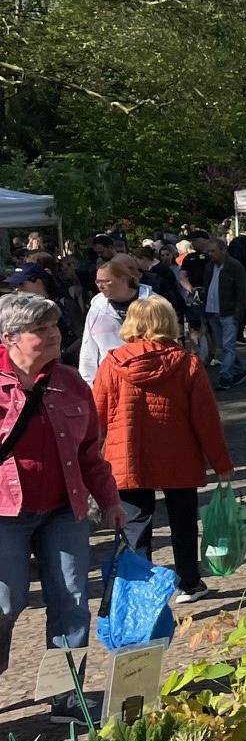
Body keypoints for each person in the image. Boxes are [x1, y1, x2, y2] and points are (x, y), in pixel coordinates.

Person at [0, 294, 122, 709]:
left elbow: (90, 451)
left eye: (54, 326)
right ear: (10, 338)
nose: (53, 335)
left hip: (62, 511)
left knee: (71, 602)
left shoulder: (70, 381)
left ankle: (65, 698)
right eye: (41, 329)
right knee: (5, 602)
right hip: (4, 515)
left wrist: (109, 500)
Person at [91, 296, 233, 603]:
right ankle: (188, 583)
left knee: (134, 526)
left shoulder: (112, 363)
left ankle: (141, 593)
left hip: (126, 455)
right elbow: (206, 419)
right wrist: (221, 462)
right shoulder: (186, 363)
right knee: (182, 521)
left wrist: (88, 464)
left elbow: (96, 418)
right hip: (177, 454)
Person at [81, 255, 156, 384]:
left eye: (106, 281)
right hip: (110, 381)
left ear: (122, 279)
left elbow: (168, 341)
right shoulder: (96, 308)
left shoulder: (153, 303)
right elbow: (88, 350)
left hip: (148, 377)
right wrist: (89, 385)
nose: (101, 286)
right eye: (98, 282)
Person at [189, 236, 246, 389]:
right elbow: (207, 288)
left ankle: (225, 377)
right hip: (212, 311)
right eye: (208, 251)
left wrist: (238, 314)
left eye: (213, 251)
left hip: (228, 312)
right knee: (223, 346)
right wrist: (204, 312)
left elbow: (242, 292)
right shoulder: (210, 267)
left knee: (228, 346)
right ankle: (240, 370)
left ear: (223, 250)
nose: (210, 254)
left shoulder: (235, 266)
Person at [9, 262, 83, 365]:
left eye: (21, 284)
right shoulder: (20, 309)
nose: (17, 289)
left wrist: (62, 354)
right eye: (14, 286)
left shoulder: (64, 303)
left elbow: (82, 335)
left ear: (38, 282)